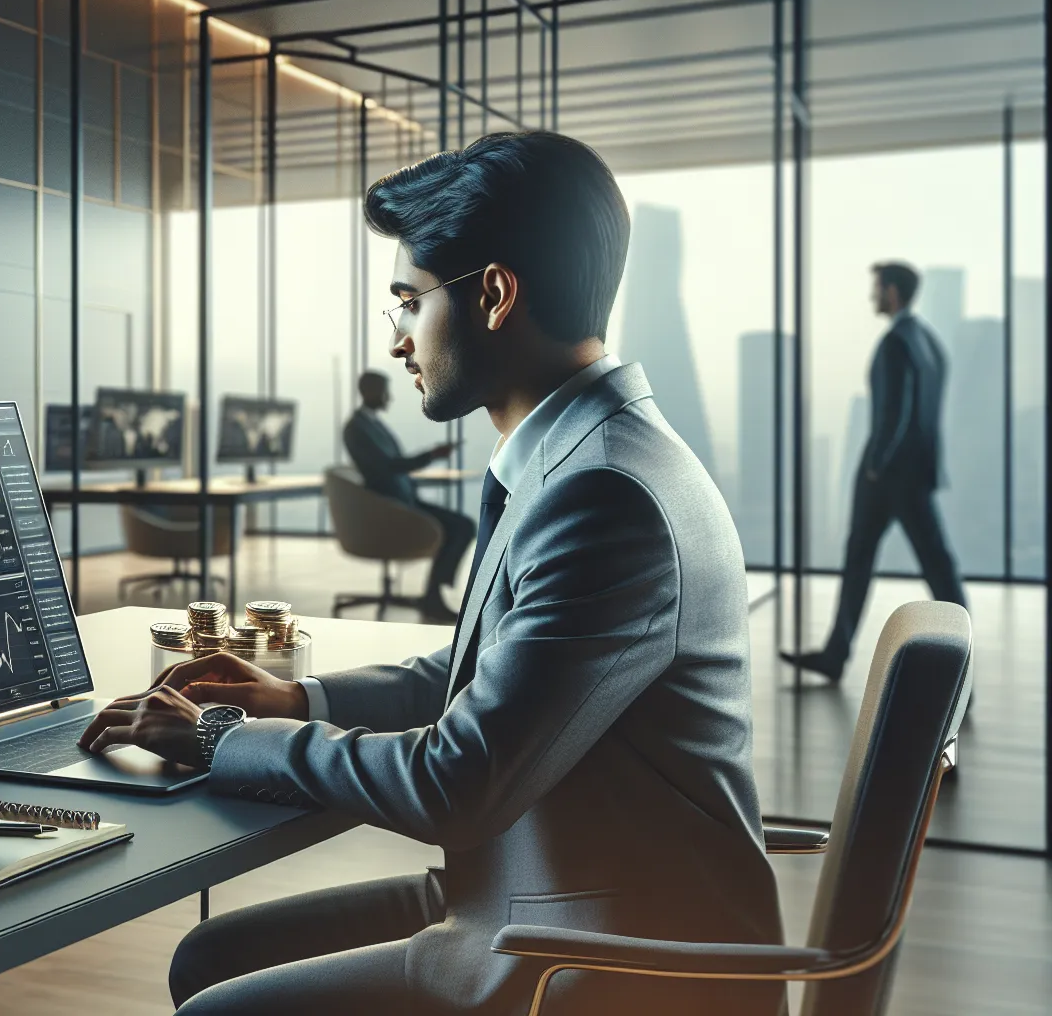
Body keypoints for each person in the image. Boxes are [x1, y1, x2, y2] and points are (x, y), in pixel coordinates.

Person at [78, 131, 781, 1016]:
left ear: (493, 294)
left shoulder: (604, 496)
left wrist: (219, 736)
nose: (398, 340)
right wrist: (299, 702)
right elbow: (483, 678)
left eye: (409, 302)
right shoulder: (588, 458)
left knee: (212, 1005)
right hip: (549, 889)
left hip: (601, 956)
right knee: (214, 954)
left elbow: (457, 782)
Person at [782, 262, 967, 683]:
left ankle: (957, 668)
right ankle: (837, 653)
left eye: (877, 288)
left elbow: (893, 411)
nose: (872, 296)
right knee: (928, 563)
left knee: (874, 557)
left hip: (887, 477)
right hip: (916, 473)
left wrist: (875, 464)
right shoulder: (929, 343)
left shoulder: (894, 344)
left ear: (893, 292)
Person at [343, 371, 475, 621]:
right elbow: (388, 466)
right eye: (385, 391)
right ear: (370, 391)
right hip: (391, 509)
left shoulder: (370, 424)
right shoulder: (358, 428)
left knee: (462, 526)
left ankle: (434, 594)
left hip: (402, 503)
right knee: (460, 527)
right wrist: (430, 456)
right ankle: (433, 597)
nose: (389, 397)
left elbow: (390, 466)